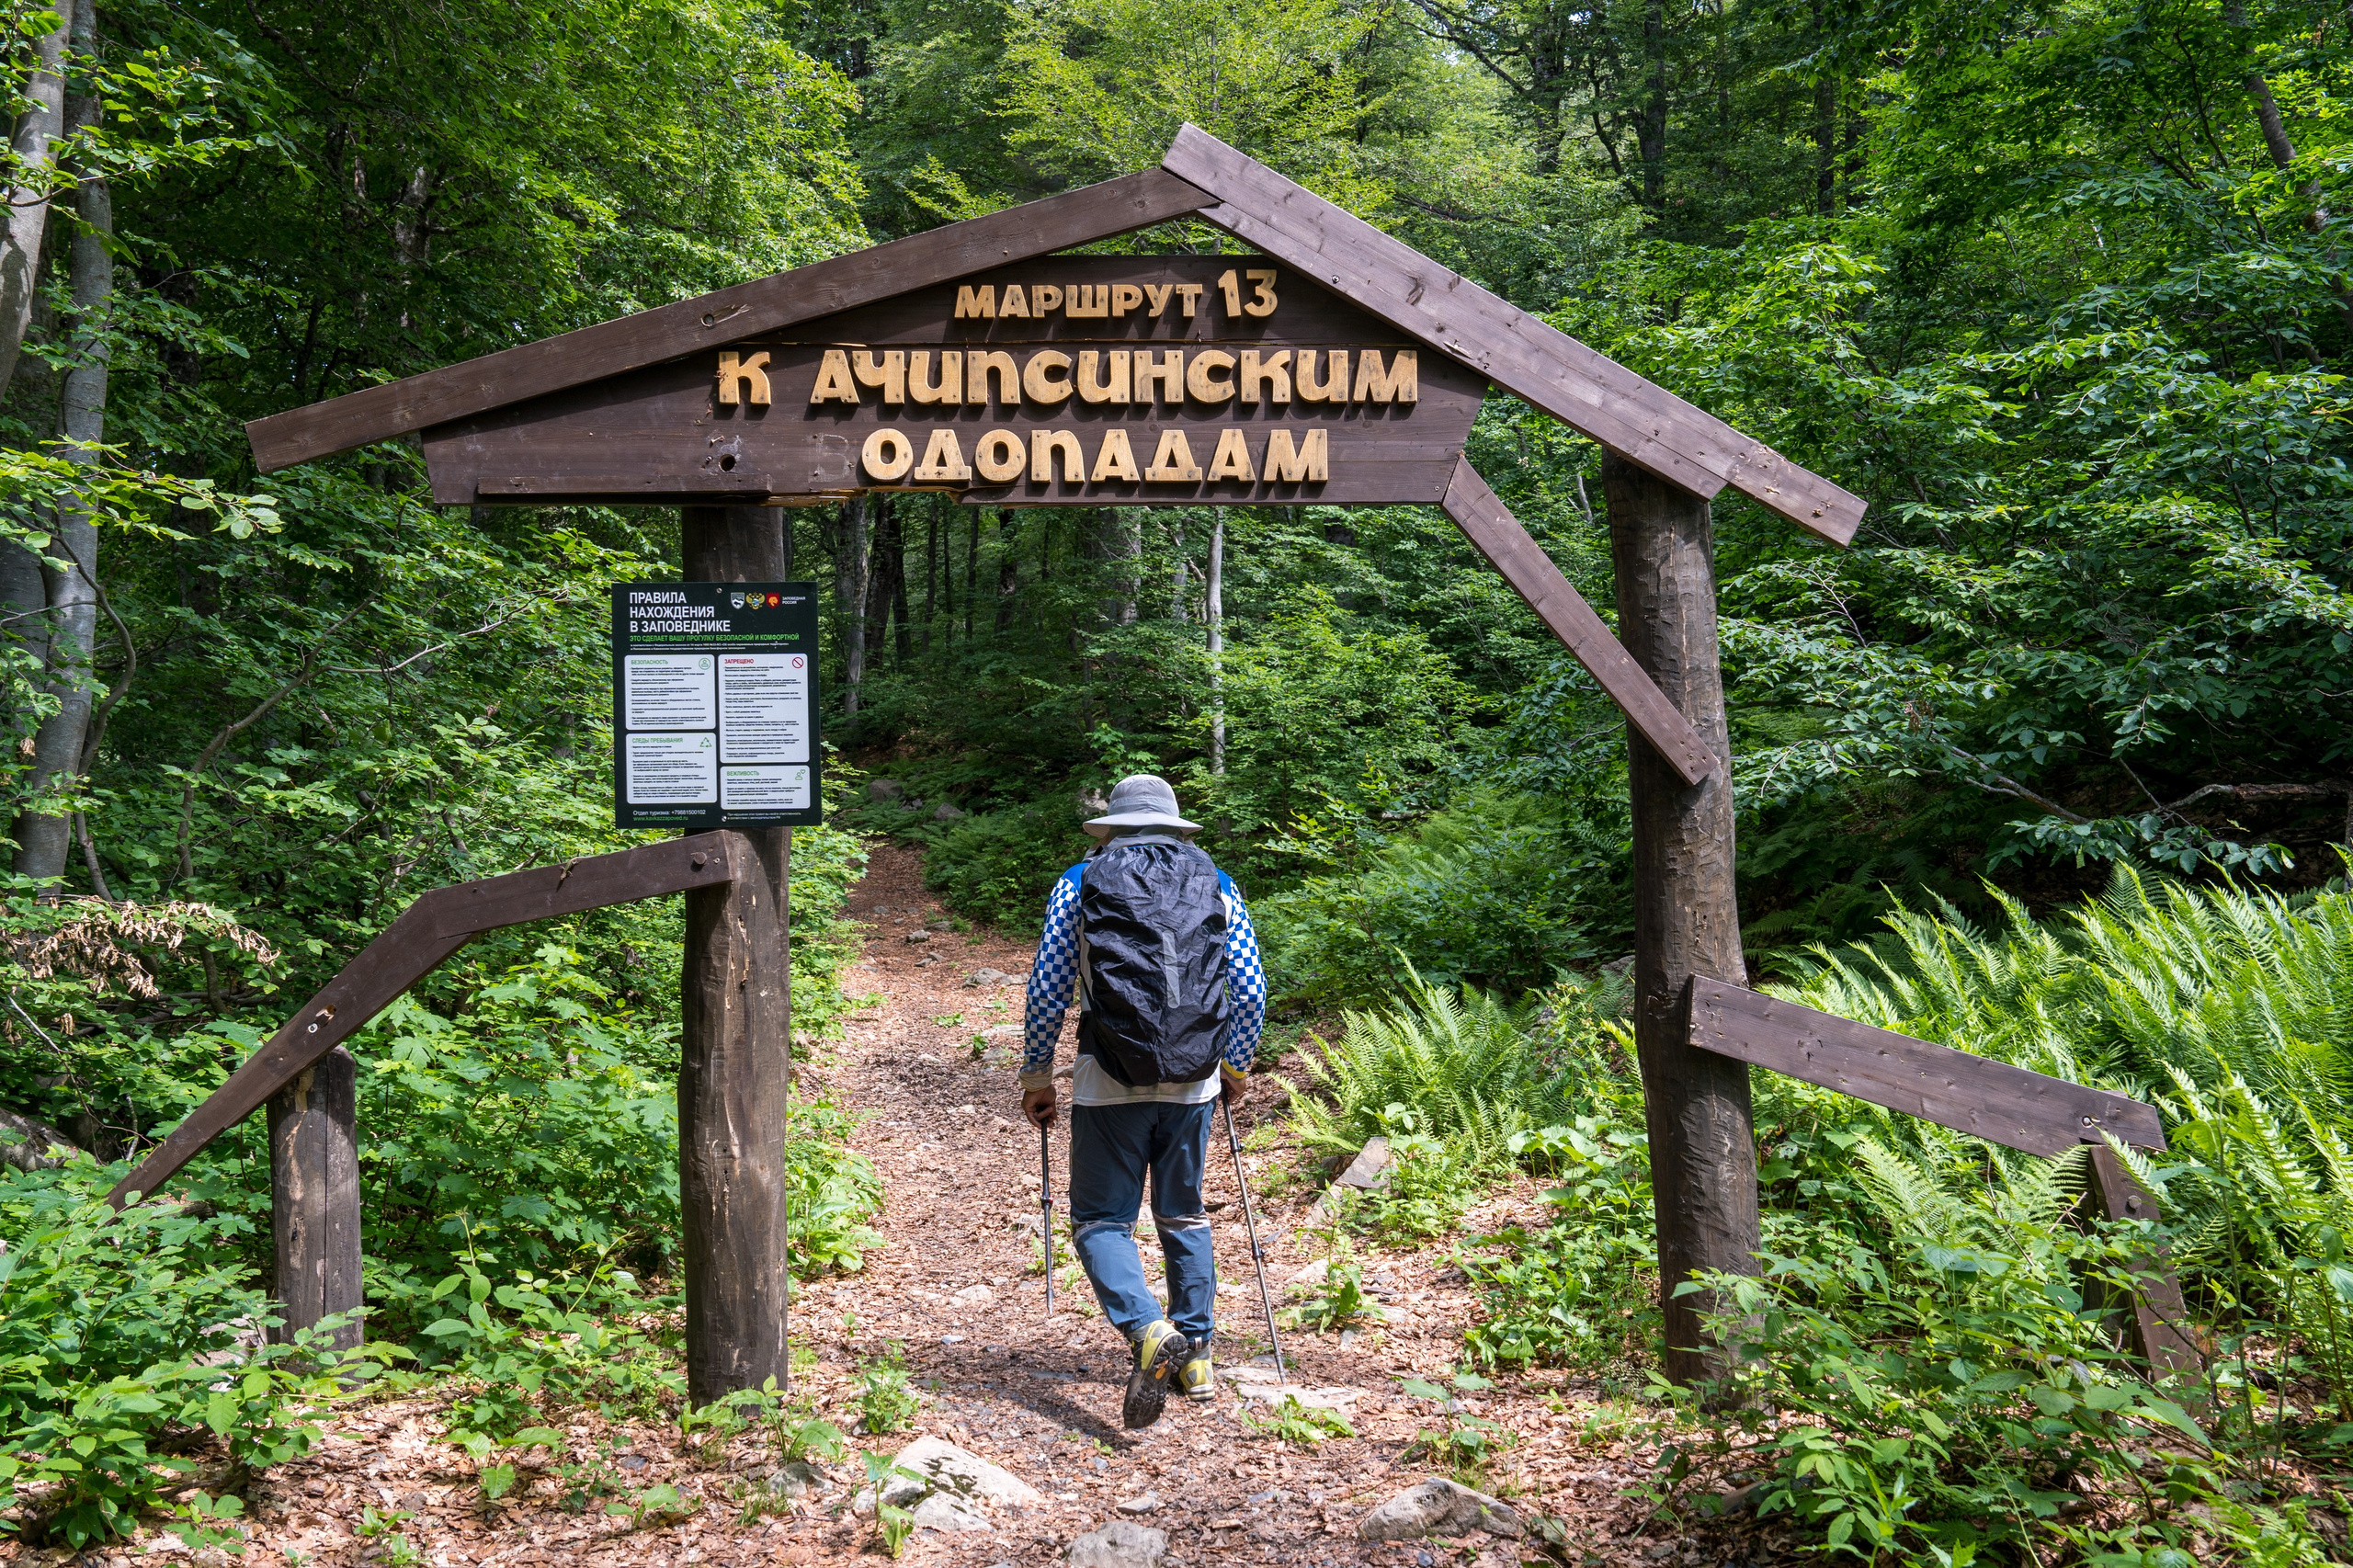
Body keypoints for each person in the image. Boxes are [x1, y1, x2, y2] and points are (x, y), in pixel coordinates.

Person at [1019, 774, 1266, 1428]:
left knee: (1101, 1221)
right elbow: (1249, 986)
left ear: (1114, 826)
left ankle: (1149, 1330)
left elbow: (1050, 983)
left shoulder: (1082, 878)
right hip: (1195, 1080)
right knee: (1184, 1214)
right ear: (1175, 825)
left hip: (1108, 1077)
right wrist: (1233, 1064)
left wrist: (1037, 1074)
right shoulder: (1216, 882)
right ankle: (1197, 1355)